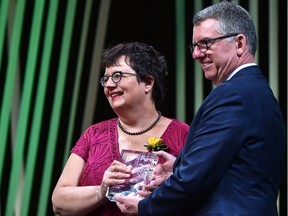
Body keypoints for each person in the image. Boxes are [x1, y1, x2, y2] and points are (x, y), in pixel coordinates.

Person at [115, 1, 286, 215]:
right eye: (194, 46)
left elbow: (194, 179)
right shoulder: (259, 92)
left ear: (240, 43)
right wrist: (179, 167)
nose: (196, 54)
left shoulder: (232, 94)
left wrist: (144, 206)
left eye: (205, 43)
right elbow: (235, 168)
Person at [51, 42, 189, 215]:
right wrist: (101, 191)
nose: (109, 85)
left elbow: (203, 197)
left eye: (117, 76)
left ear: (147, 82)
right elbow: (59, 202)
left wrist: (163, 195)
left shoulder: (183, 135)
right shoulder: (93, 134)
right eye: (106, 79)